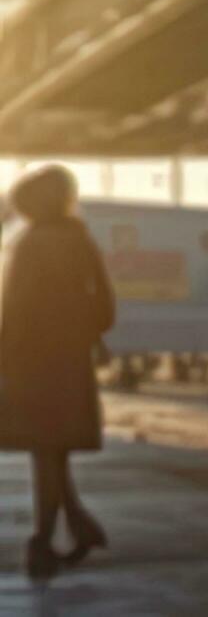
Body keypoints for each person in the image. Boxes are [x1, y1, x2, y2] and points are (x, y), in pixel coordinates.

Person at [0, 164, 115, 579]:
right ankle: (79, 527)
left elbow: (13, 310)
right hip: (68, 366)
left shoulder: (29, 244)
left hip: (32, 366)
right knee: (53, 453)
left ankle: (43, 543)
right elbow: (104, 309)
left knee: (45, 454)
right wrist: (77, 331)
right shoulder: (80, 239)